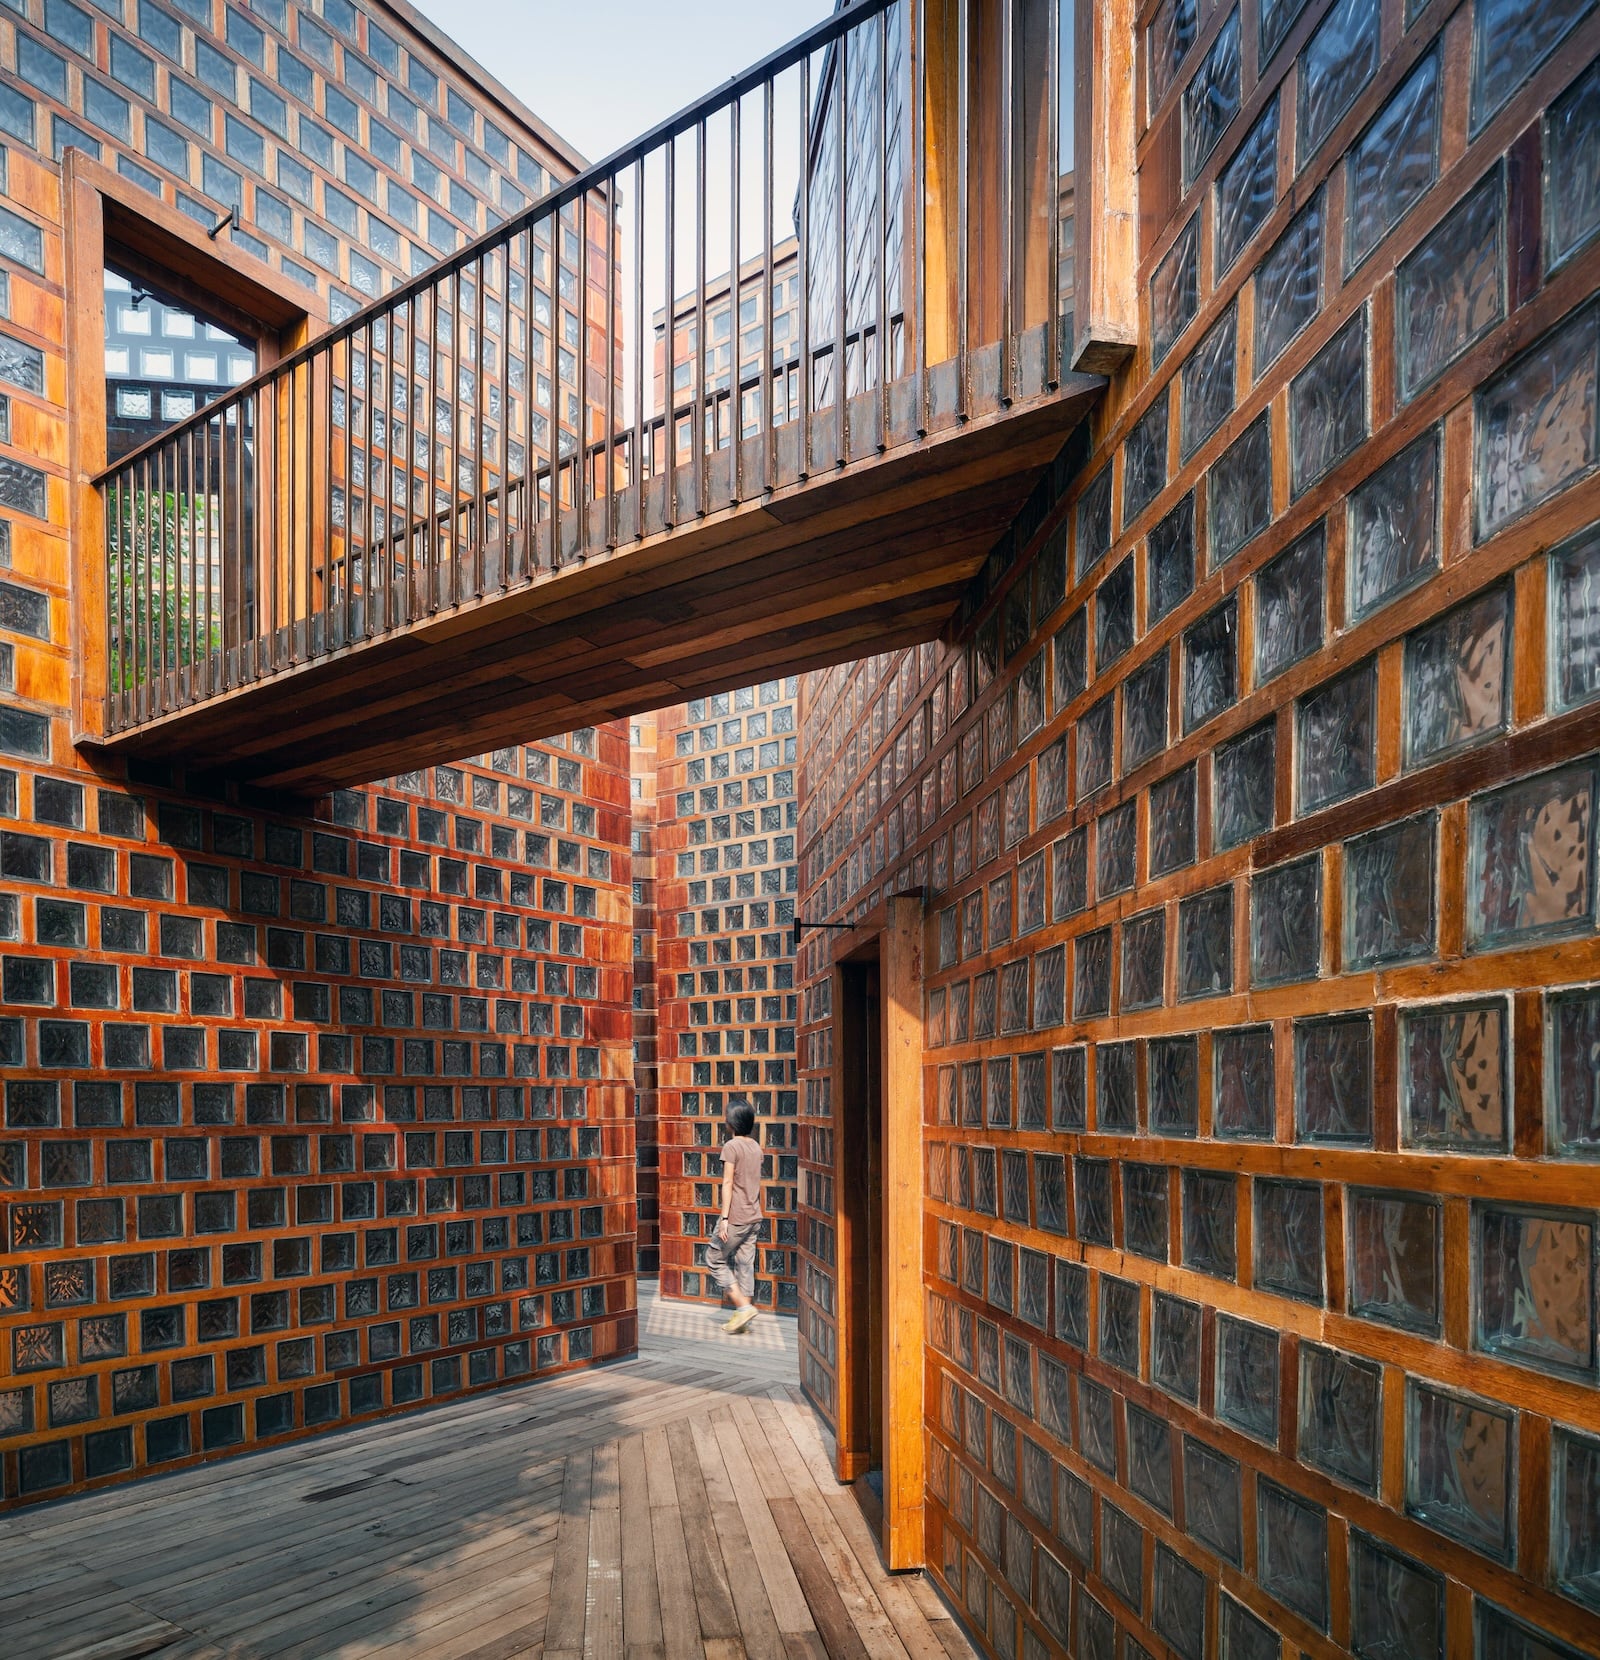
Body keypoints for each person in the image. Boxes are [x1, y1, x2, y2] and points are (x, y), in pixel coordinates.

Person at [706, 1098, 763, 1333]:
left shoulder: (731, 1147)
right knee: (744, 1265)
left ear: (731, 1122)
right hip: (754, 1216)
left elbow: (728, 1182)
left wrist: (725, 1219)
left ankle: (743, 1308)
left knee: (714, 1258)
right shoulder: (756, 1147)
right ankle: (743, 1321)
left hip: (737, 1217)